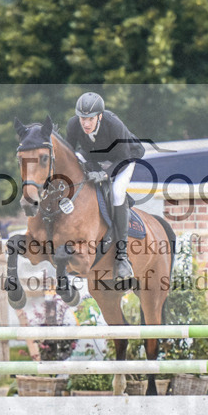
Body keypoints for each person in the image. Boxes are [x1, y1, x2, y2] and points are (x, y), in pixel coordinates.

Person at [65, 91, 144, 279]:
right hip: (95, 158)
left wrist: (105, 174)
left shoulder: (114, 125)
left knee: (117, 193)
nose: (85, 123)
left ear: (99, 116)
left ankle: (122, 256)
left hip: (124, 158)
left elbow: (124, 157)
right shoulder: (73, 125)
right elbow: (69, 154)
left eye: (90, 119)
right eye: (82, 118)